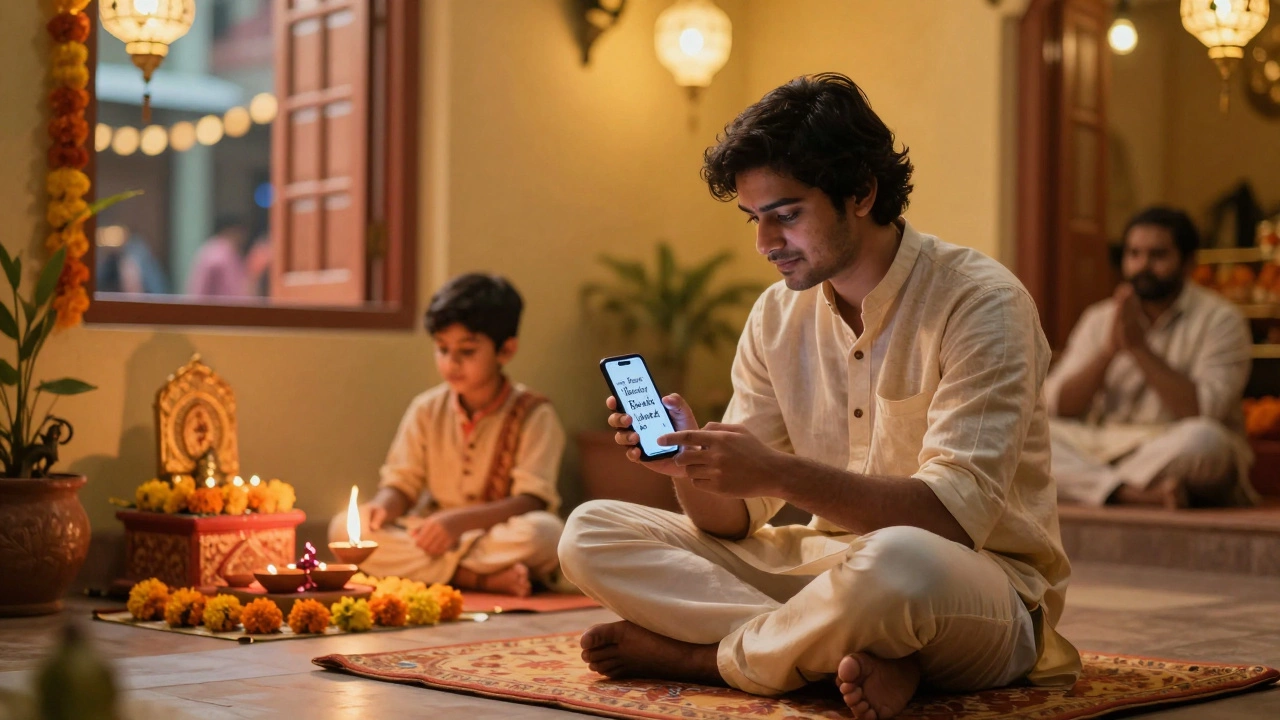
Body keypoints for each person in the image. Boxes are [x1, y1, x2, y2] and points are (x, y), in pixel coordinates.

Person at [557, 73, 1080, 720]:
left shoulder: (981, 304)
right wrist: (691, 466)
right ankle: (840, 651)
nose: (765, 244)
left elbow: (949, 520)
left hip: (973, 584)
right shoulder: (777, 317)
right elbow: (736, 518)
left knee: (899, 563)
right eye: (755, 219)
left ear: (860, 193)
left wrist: (777, 471)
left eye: (787, 215)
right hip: (827, 571)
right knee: (590, 532)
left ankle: (704, 658)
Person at [328, 273, 566, 597]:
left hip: (495, 532)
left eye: (466, 351)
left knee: (547, 534)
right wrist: (382, 507)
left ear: (506, 350)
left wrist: (459, 523)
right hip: (430, 533)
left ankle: (446, 574)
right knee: (343, 527)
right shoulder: (425, 409)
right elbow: (402, 485)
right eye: (442, 349)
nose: (451, 363)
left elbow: (532, 499)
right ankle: (475, 578)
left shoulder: (535, 414)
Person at [1044, 207, 1255, 508]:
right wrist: (1107, 352)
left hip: (1169, 445)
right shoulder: (1100, 317)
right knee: (1027, 435)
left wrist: (1139, 349)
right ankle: (1131, 493)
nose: (1143, 266)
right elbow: (1058, 405)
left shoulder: (1222, 321)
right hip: (1103, 444)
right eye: (1134, 254)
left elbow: (1203, 411)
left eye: (1158, 255)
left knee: (1207, 441)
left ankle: (1095, 485)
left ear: (1188, 263)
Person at [185, 217, 250, 297]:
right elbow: (199, 290)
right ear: (230, 231)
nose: (243, 237)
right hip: (216, 307)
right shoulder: (216, 254)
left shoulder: (231, 252)